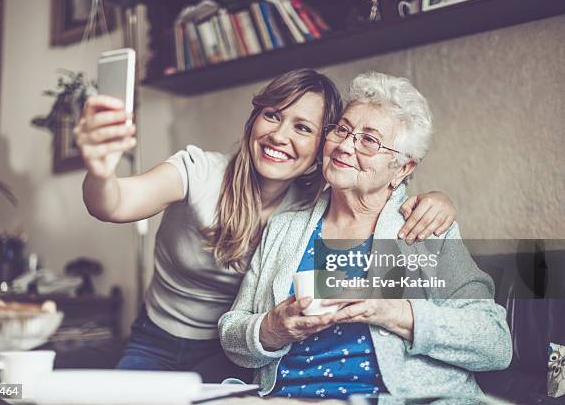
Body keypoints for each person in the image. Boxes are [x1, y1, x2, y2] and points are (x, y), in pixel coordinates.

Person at [74, 69, 457, 382]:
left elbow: (378, 177)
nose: (279, 135)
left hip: (234, 355)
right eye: (273, 115)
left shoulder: (315, 201)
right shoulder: (201, 172)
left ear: (320, 144)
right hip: (157, 337)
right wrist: (99, 170)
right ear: (254, 120)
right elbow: (113, 204)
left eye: (303, 128)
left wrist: (438, 199)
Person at [219, 71, 512, 398]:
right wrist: (272, 328)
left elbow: (495, 343)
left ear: (402, 168)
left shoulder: (424, 229)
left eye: (369, 140)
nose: (345, 146)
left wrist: (392, 312)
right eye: (342, 130)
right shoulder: (285, 228)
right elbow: (232, 332)